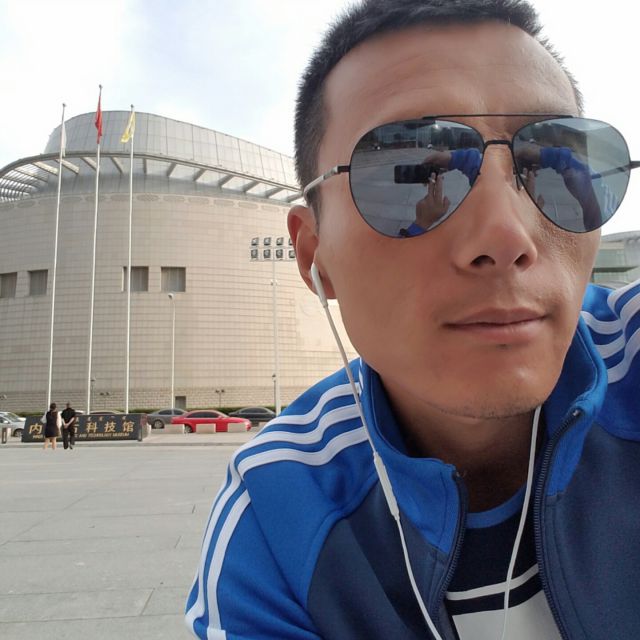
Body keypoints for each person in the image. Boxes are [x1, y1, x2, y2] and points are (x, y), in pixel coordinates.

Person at [186, 1, 640, 638]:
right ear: (314, 253)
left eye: (558, 165)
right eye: (411, 175)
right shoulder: (279, 518)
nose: (507, 236)